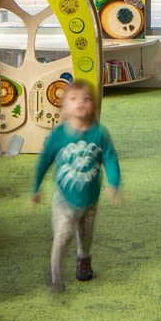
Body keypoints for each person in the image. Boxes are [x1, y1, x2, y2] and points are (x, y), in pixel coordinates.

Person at [31, 80, 122, 292]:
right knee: (63, 235)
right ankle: (55, 275)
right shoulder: (59, 135)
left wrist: (114, 183)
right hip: (64, 199)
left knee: (86, 234)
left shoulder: (100, 133)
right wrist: (35, 188)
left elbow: (110, 158)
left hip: (91, 198)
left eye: (87, 98)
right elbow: (44, 161)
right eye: (74, 99)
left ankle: (84, 258)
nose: (81, 102)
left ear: (95, 106)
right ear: (64, 108)